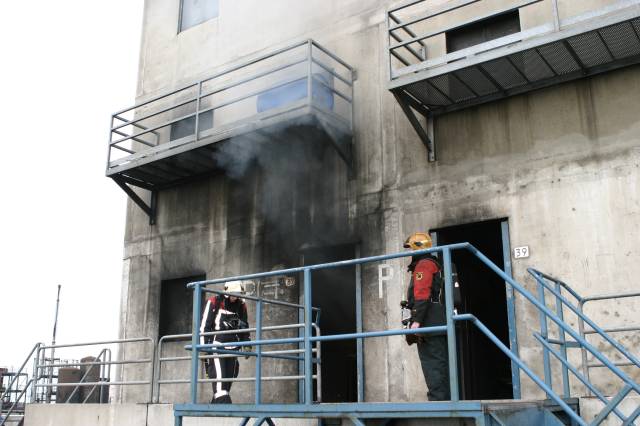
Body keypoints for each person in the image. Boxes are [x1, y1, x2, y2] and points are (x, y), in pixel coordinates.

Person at [404, 231, 451, 401]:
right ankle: (444, 400)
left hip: (429, 323)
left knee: (433, 364)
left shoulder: (423, 265)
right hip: (437, 320)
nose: (410, 252)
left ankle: (438, 401)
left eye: (411, 249)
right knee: (439, 362)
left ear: (417, 248)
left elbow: (422, 294)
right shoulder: (434, 263)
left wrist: (416, 321)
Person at [200, 280, 250, 404]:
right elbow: (205, 326)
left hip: (234, 348)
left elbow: (244, 326)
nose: (235, 297)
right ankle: (225, 408)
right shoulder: (214, 302)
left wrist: (247, 344)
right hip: (217, 346)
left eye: (238, 294)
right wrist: (203, 347)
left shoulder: (241, 305)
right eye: (233, 294)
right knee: (219, 381)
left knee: (227, 383)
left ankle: (215, 407)